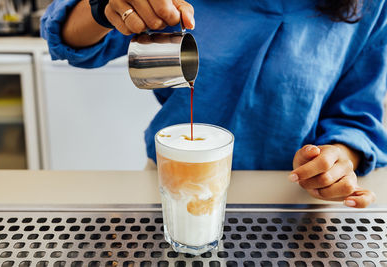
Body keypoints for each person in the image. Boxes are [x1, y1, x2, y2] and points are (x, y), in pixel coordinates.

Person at [41, 0, 387, 208]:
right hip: (173, 182)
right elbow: (69, 41)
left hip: (293, 195)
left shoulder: (371, 8)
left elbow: (356, 116)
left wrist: (339, 158)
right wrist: (104, 8)